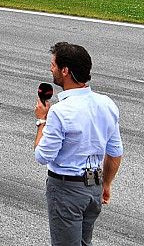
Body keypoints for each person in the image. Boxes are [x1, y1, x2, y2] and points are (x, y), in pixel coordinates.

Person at [34, 42, 123, 246]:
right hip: (94, 187)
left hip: (67, 191)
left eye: (53, 65)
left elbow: (42, 156)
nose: (51, 69)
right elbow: (115, 152)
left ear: (65, 71)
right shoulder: (107, 103)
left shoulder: (60, 111)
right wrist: (106, 184)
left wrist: (41, 121)